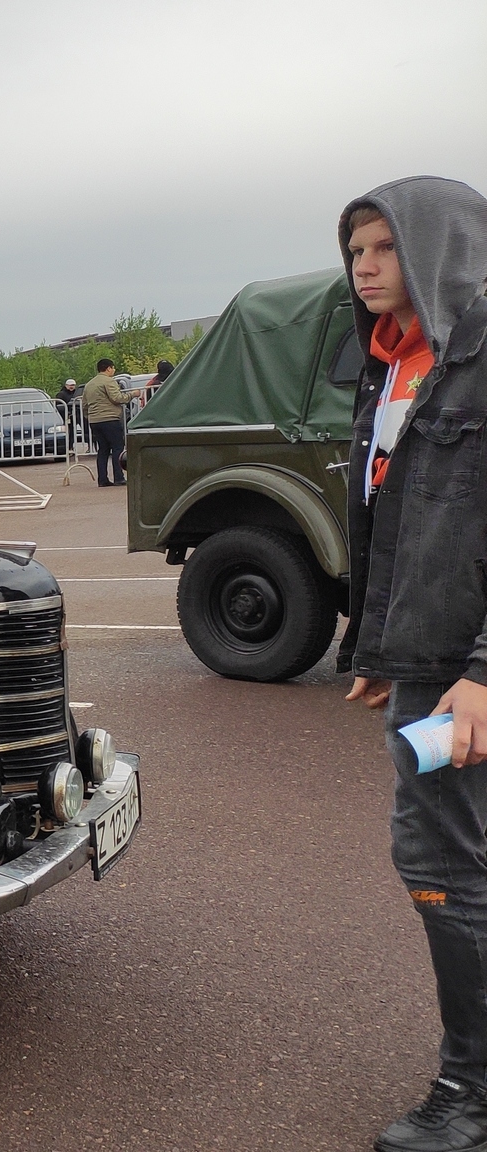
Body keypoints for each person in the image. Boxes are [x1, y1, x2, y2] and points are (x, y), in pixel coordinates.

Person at [331, 177, 487, 1152]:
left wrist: (478, 672)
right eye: (353, 249)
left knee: (434, 853)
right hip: (422, 667)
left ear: (441, 246)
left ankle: (468, 1096)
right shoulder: (389, 366)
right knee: (458, 849)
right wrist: (377, 648)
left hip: (462, 680)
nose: (363, 266)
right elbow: (392, 519)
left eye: (384, 246)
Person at [83, 359, 128, 486]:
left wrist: (90, 417)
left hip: (95, 421)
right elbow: (117, 398)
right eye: (113, 368)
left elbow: (85, 405)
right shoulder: (109, 381)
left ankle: (102, 480)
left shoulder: (89, 384)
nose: (114, 370)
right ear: (108, 368)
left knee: (103, 450)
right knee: (117, 447)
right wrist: (131, 395)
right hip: (110, 418)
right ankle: (119, 477)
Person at [55, 377, 87, 444]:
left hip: (80, 414)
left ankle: (90, 446)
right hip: (68, 416)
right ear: (66, 385)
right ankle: (70, 448)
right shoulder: (61, 394)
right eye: (70, 385)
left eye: (73, 385)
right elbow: (58, 406)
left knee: (86, 430)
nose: (71, 387)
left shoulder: (78, 394)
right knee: (70, 432)